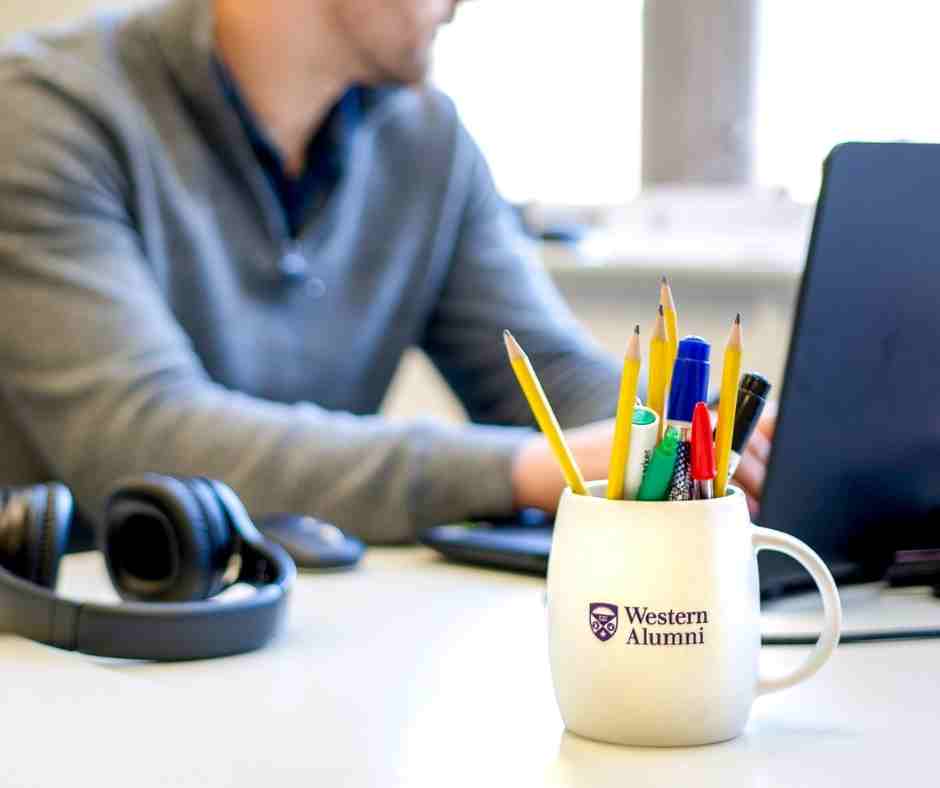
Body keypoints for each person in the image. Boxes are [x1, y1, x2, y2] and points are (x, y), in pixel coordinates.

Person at [0, 0, 773, 544]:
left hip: (329, 624)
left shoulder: (428, 141)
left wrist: (706, 435)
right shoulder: (46, 113)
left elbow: (550, 378)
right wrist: (526, 470)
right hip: (82, 640)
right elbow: (138, 438)